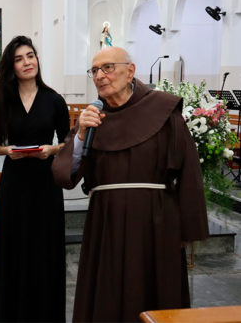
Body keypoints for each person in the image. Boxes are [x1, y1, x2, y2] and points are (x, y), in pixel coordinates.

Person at [51, 46, 209, 322]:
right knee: (107, 297)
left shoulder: (163, 110)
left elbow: (189, 171)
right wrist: (80, 135)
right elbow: (65, 174)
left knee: (154, 294)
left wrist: (186, 229)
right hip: (106, 224)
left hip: (155, 224)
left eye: (108, 68)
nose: (100, 76)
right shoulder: (93, 119)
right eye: (95, 71)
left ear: (130, 71)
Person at [0, 35, 70, 322]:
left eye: (30, 56)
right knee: (15, 250)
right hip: (15, 184)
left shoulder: (54, 100)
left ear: (37, 60)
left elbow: (69, 143)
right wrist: (8, 151)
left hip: (45, 184)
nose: (27, 62)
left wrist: (52, 149)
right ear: (12, 66)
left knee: (44, 251)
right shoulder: (3, 100)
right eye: (19, 58)